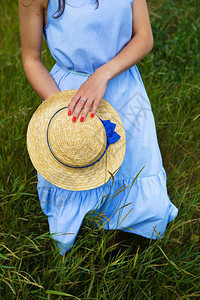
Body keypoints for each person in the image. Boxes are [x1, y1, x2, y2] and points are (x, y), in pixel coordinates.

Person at [18, 0, 179, 255]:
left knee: (133, 173)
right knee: (79, 166)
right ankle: (84, 226)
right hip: (68, 96)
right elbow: (31, 59)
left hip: (122, 85)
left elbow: (144, 37)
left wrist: (103, 74)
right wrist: (63, 112)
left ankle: (126, 226)